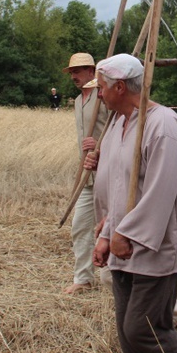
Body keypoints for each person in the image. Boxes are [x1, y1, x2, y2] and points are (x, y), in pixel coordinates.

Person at [87, 54, 177, 353]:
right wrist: (106, 234)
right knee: (126, 333)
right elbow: (119, 188)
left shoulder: (163, 124)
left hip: (154, 247)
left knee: (141, 330)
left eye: (102, 87)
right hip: (120, 244)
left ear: (120, 87)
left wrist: (125, 234)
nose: (99, 94)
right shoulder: (118, 123)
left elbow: (161, 191)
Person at [62, 53, 109, 294]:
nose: (74, 76)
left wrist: (99, 144)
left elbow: (119, 128)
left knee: (114, 229)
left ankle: (120, 280)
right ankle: (83, 280)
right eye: (71, 72)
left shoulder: (103, 96)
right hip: (87, 174)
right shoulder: (78, 100)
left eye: (78, 71)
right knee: (80, 226)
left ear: (92, 71)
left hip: (108, 173)